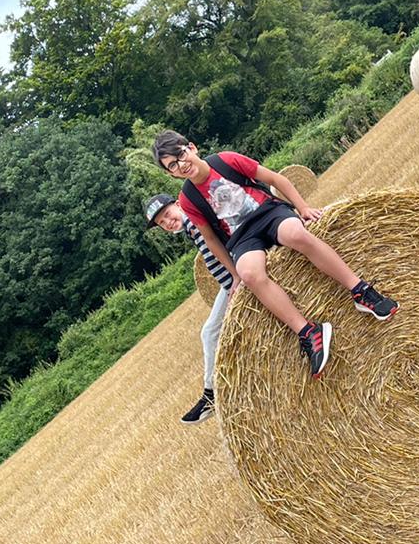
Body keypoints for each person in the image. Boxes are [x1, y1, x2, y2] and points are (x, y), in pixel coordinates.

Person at [152, 130, 397, 378]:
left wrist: (303, 208)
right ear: (171, 174)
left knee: (296, 234)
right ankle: (308, 332)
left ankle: (360, 290)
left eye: (181, 155)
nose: (181, 165)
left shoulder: (225, 160)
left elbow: (276, 179)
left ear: (192, 148)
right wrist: (234, 273)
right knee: (250, 274)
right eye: (172, 165)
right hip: (241, 237)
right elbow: (212, 240)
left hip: (268, 213)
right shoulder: (188, 199)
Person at [143, 192, 233, 423]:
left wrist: (237, 277)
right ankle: (216, 389)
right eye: (161, 222)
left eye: (167, 214)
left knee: (210, 332)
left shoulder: (194, 221)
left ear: (177, 204)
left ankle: (212, 394)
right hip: (231, 284)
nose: (167, 222)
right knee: (210, 332)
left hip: (236, 281)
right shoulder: (190, 228)